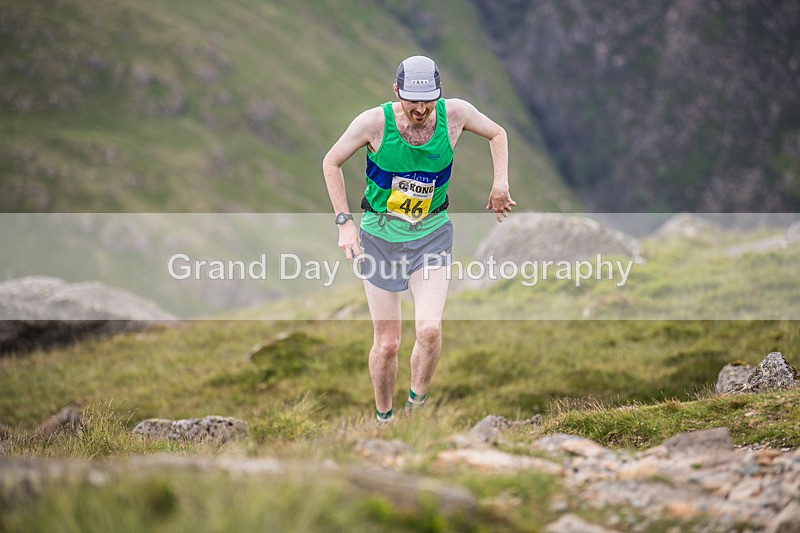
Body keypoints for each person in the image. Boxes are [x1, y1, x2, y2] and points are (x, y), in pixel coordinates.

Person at [322, 55, 515, 423]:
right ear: (397, 92)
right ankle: (384, 419)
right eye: (412, 101)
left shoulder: (455, 114)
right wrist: (345, 223)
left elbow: (497, 133)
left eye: (428, 101)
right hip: (379, 237)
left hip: (431, 234)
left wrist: (500, 181)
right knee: (388, 344)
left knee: (429, 330)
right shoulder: (374, 123)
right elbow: (331, 162)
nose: (421, 109)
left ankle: (415, 411)